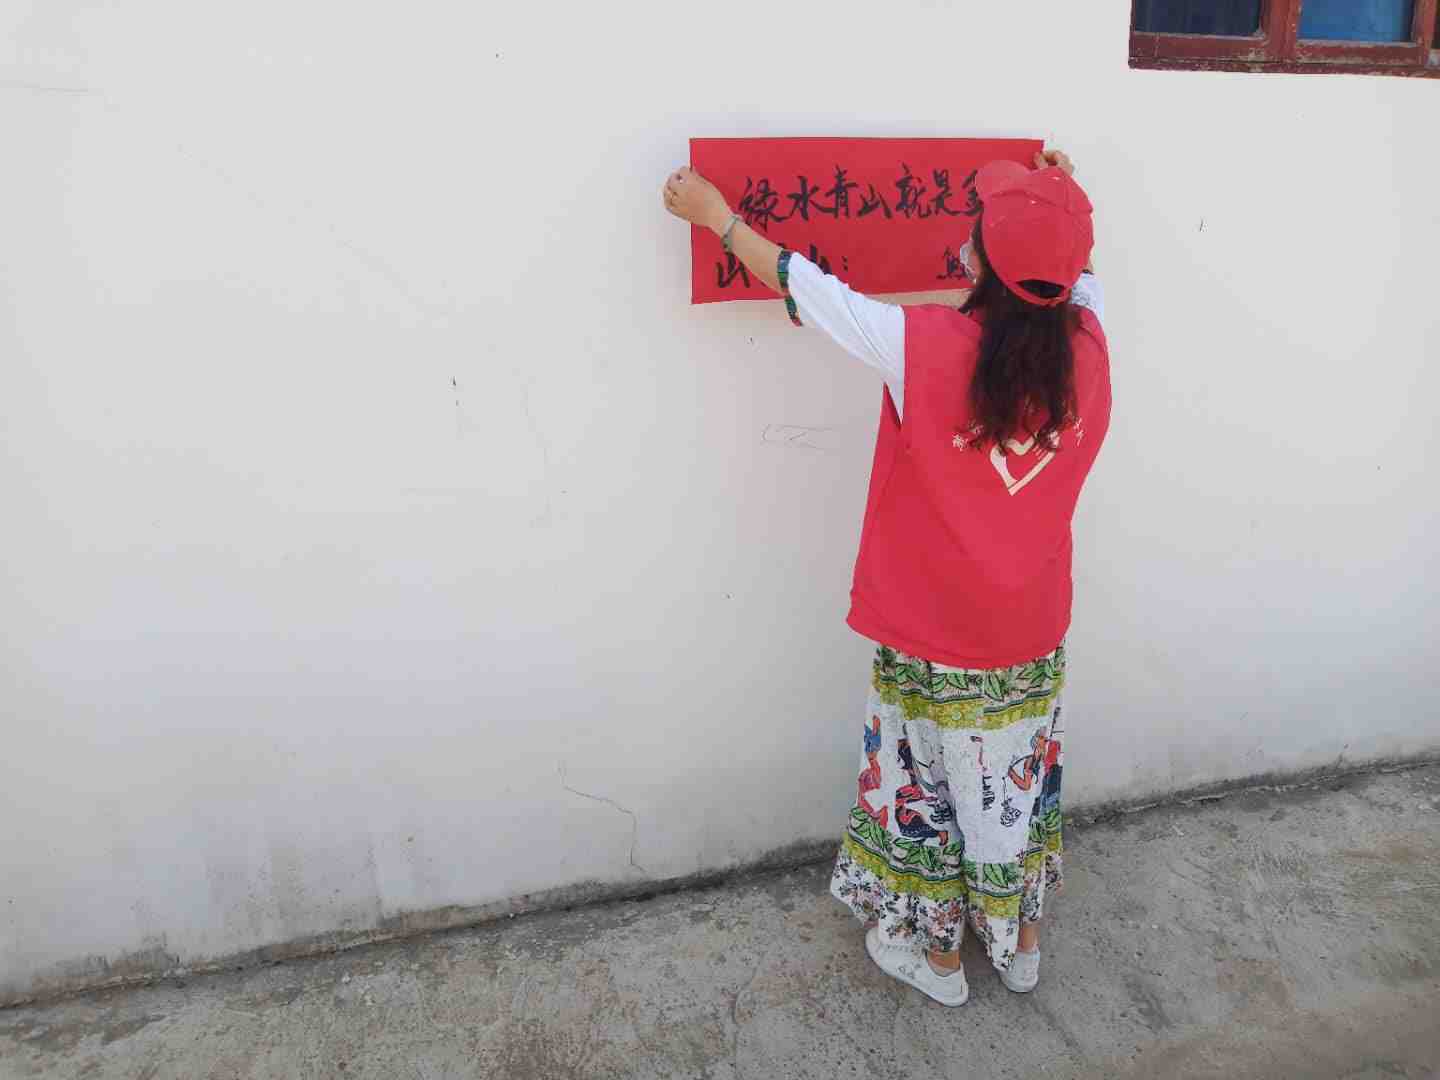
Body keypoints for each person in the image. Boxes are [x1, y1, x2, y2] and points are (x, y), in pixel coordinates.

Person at [661, 150, 1110, 1007]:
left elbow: (809, 288)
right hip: (1030, 632)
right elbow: (1078, 278)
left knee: (927, 793)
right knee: (1019, 789)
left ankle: (938, 963)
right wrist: (1059, 195)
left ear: (981, 263)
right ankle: (1020, 948)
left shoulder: (923, 346)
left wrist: (717, 217)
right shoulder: (1090, 346)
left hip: (932, 631)